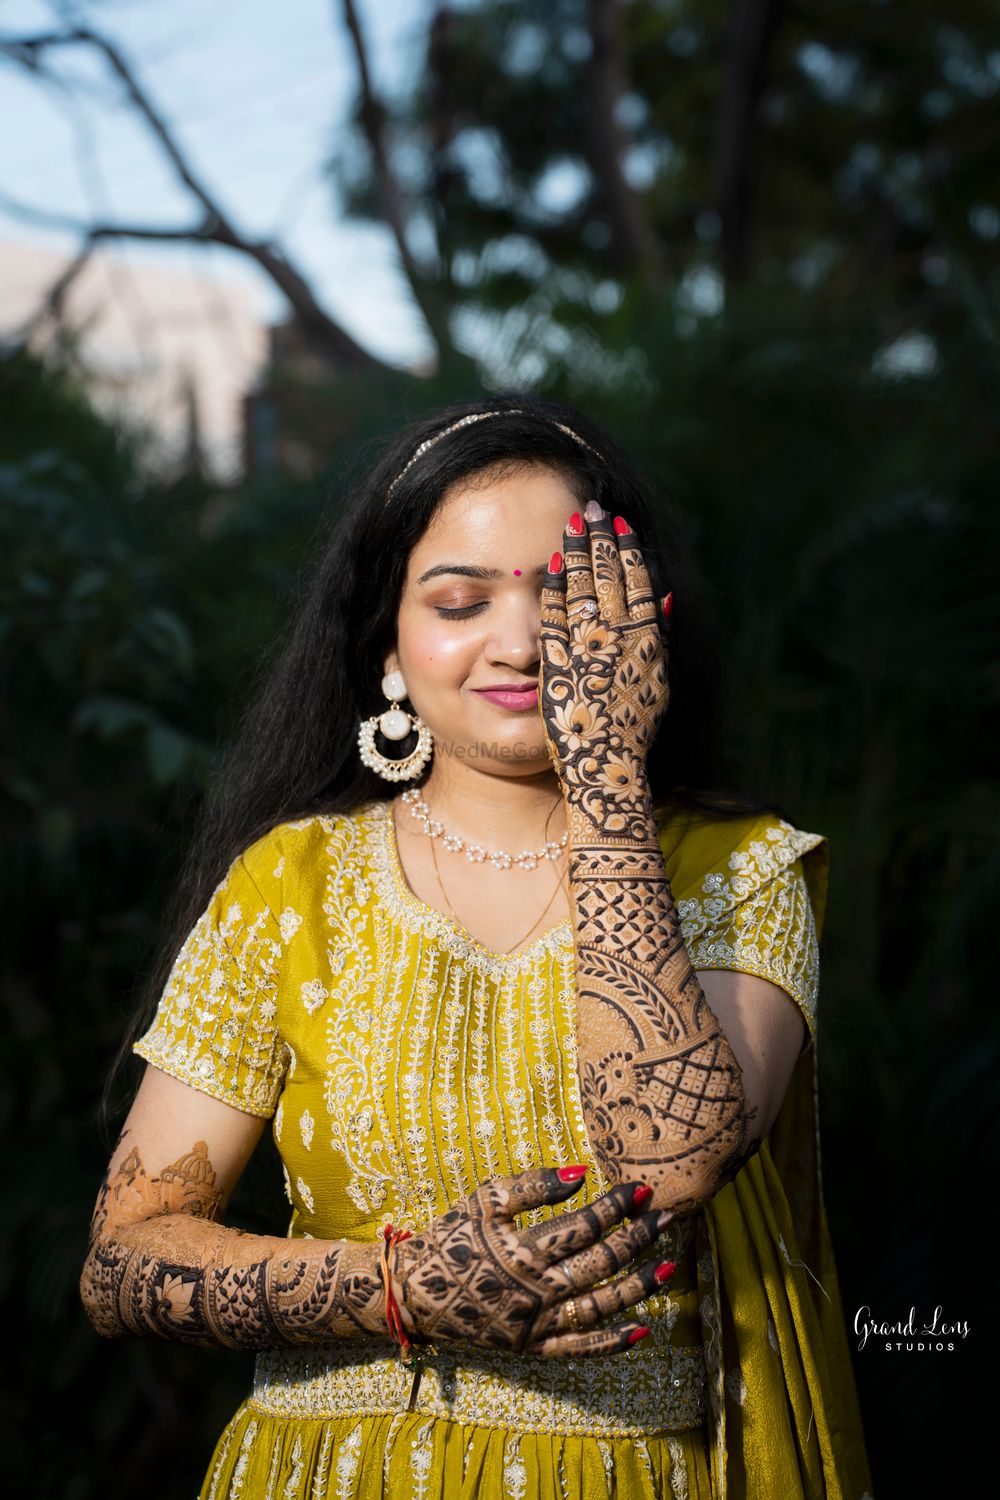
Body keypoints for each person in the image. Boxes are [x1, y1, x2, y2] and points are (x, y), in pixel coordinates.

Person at [81, 394, 873, 1499]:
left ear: (642, 622)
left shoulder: (736, 871)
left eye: (567, 598)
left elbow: (669, 1163)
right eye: (458, 601)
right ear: (389, 650)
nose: (518, 642)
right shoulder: (288, 886)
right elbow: (124, 1258)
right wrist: (395, 1289)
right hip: (324, 1474)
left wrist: (605, 773)